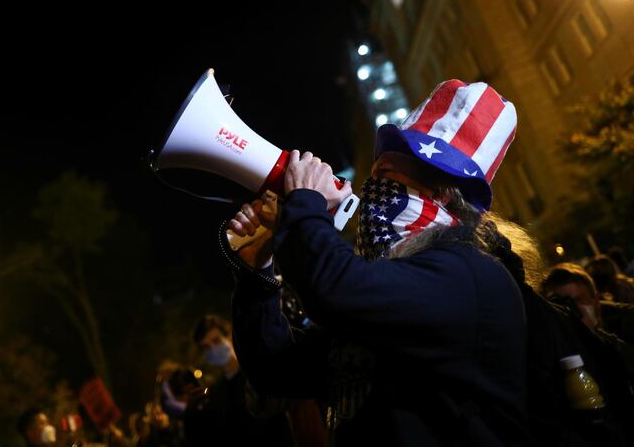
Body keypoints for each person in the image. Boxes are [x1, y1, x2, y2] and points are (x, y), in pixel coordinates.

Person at [224, 80, 531, 445]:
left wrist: (305, 200)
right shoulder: (400, 284)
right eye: (374, 175)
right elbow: (274, 368)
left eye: (386, 177)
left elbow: (335, 288)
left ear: (443, 194)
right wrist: (258, 269)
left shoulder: (468, 273)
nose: (371, 191)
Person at [182, 314, 294, 447]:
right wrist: (191, 414)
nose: (212, 348)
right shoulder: (217, 392)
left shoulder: (257, 373)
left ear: (229, 336)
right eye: (206, 346)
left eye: (216, 340)